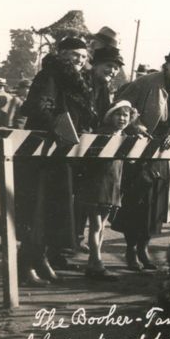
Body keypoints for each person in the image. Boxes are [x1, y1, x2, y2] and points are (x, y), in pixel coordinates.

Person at [15, 37, 98, 285]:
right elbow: (38, 108)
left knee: (53, 212)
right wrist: (61, 128)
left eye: (83, 58)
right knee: (36, 212)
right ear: (60, 53)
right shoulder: (49, 76)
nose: (79, 61)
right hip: (41, 156)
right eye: (74, 55)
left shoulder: (77, 83)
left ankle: (41, 260)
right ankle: (25, 265)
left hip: (62, 156)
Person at [112, 46, 170, 270]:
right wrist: (135, 124)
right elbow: (122, 102)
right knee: (137, 200)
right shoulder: (147, 82)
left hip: (165, 150)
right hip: (141, 148)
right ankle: (131, 250)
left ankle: (143, 248)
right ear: (167, 65)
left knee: (156, 203)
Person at [75, 100, 136, 280]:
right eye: (118, 114)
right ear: (110, 116)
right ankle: (97, 262)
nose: (122, 118)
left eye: (125, 115)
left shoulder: (125, 137)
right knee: (96, 224)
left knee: (102, 225)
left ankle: (93, 263)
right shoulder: (101, 134)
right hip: (97, 182)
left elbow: (129, 160)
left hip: (113, 184)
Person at [73, 45, 125, 251]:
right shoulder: (81, 81)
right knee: (74, 197)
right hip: (74, 143)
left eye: (115, 68)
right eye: (108, 66)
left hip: (91, 148)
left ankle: (75, 239)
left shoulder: (104, 88)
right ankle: (68, 242)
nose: (112, 71)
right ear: (95, 65)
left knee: (85, 198)